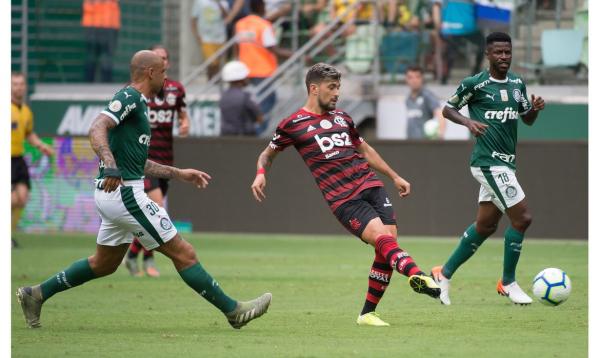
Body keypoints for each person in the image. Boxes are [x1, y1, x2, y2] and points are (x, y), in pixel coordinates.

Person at [16, 50, 271, 330]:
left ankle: (36, 294)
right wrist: (110, 164)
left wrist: (178, 173)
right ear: (150, 72)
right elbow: (96, 127)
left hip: (114, 192)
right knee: (184, 253)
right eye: (163, 72)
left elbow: (137, 162)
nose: (166, 77)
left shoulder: (136, 103)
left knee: (103, 263)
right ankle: (233, 311)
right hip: (125, 193)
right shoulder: (130, 97)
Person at [251, 63, 440, 327]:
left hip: (372, 186)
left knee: (387, 247)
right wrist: (261, 172)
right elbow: (268, 153)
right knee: (384, 240)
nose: (337, 93)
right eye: (332, 87)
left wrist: (394, 176)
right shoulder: (292, 124)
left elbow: (364, 150)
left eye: (338, 87)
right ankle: (416, 273)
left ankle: (367, 314)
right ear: (314, 89)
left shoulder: (342, 118)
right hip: (344, 199)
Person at [430, 32, 546, 305]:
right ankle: (508, 282)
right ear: (488, 54)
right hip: (488, 162)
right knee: (523, 218)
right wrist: (468, 123)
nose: (504, 57)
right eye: (498, 52)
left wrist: (536, 108)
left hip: (506, 162)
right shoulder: (476, 84)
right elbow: (448, 109)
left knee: (485, 226)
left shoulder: (517, 82)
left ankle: (443, 275)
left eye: (507, 52)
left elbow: (526, 119)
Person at [124, 45, 191, 278]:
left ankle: (137, 256)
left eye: (164, 59)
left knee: (154, 211)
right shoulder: (135, 92)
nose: (160, 63)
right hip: (142, 160)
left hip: (165, 161)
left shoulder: (176, 90)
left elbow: (183, 114)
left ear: (168, 63)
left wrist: (185, 124)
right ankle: (142, 258)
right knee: (158, 208)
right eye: (157, 59)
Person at [11, 72, 55, 248]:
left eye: (21, 84)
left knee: (22, 198)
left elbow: (28, 134)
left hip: (18, 159)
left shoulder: (26, 112)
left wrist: (41, 146)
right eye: (15, 84)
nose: (18, 87)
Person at [235, 0, 292, 130]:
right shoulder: (264, 25)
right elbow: (272, 48)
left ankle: (250, 126)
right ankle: (257, 130)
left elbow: (236, 46)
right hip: (262, 69)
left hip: (245, 69)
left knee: (254, 99)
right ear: (260, 7)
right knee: (268, 100)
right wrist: (292, 54)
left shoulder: (240, 24)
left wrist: (238, 63)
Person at [219, 61, 263, 136]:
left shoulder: (223, 96)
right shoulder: (246, 96)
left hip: (225, 136)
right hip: (244, 137)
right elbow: (259, 118)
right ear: (242, 78)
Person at [81, 0, 121, 82]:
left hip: (107, 24)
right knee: (94, 56)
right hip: (96, 24)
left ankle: (104, 82)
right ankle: (89, 83)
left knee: (105, 57)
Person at [191, 0, 229, 79]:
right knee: (211, 62)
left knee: (218, 63)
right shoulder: (200, 2)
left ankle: (215, 82)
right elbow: (194, 19)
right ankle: (211, 81)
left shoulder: (223, 2)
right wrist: (196, 35)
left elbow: (227, 16)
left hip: (220, 37)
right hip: (206, 38)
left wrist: (219, 3)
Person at [404, 65, 445, 139]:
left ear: (422, 78)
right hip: (410, 143)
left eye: (417, 77)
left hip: (424, 145)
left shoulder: (427, 95)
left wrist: (440, 134)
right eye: (410, 77)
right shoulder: (408, 99)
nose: (414, 80)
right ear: (406, 79)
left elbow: (440, 114)